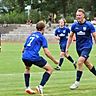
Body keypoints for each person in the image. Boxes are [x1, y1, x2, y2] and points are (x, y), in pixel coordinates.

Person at [22, 21, 58, 95]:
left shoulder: (31, 35)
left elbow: (23, 49)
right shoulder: (42, 37)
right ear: (43, 29)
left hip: (25, 56)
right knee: (50, 69)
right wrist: (54, 60)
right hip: (33, 57)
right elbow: (46, 52)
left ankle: (27, 87)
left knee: (27, 68)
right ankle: (40, 86)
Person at [66, 8, 96, 90]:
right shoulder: (74, 25)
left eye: (79, 15)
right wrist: (67, 48)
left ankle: (76, 83)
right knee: (88, 64)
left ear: (83, 15)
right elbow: (70, 36)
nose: (78, 17)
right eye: (76, 15)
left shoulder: (89, 25)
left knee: (79, 62)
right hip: (78, 48)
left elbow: (94, 36)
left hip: (87, 46)